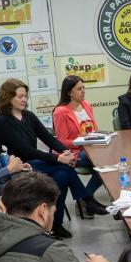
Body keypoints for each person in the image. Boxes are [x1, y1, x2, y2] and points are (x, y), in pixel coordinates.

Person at [0, 78, 108, 239]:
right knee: (64, 168)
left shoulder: (28, 116)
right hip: (20, 167)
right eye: (19, 96)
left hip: (35, 163)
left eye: (25, 96)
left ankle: (56, 225)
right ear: (8, 97)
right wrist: (58, 158)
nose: (24, 100)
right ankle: (86, 199)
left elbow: (50, 139)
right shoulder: (2, 121)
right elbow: (26, 150)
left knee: (61, 176)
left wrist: (66, 152)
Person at [52, 75, 105, 211]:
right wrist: (82, 141)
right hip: (74, 152)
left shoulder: (86, 105)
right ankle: (87, 200)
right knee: (103, 162)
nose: (83, 91)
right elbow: (62, 141)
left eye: (83, 88)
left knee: (107, 163)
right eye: (79, 89)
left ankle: (84, 199)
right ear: (69, 92)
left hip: (92, 148)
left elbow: (94, 129)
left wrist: (99, 138)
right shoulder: (60, 111)